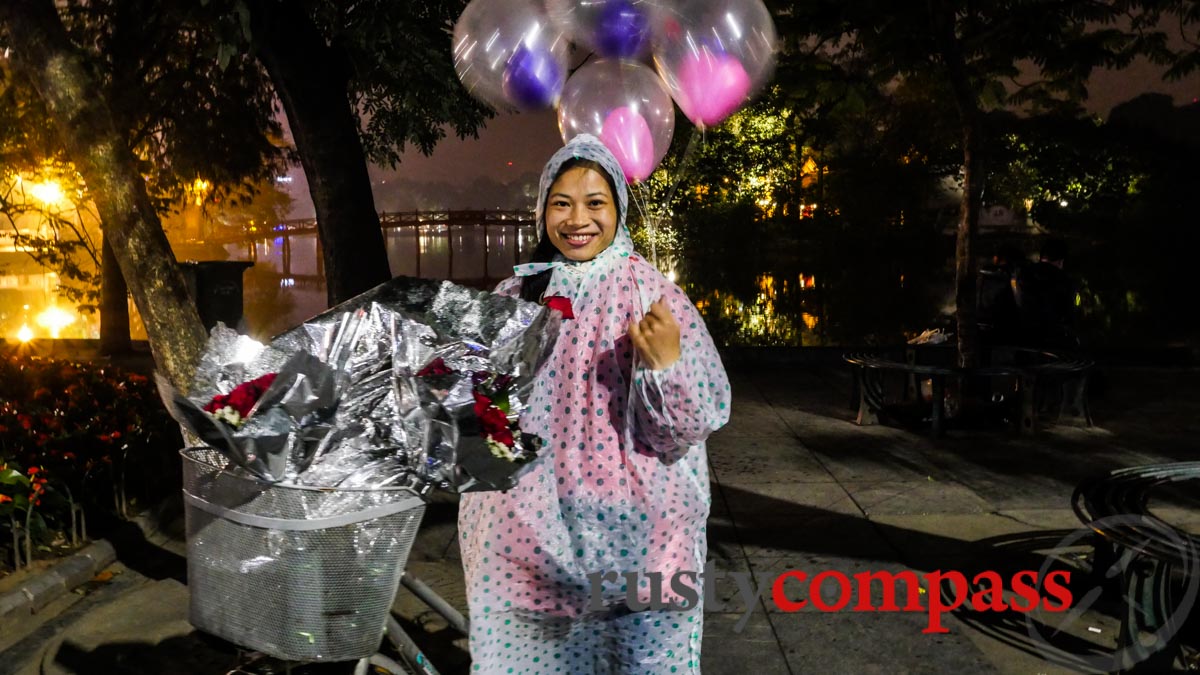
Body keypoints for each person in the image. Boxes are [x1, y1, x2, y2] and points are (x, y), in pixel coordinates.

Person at [458, 134, 731, 673]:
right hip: (525, 537)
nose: (577, 219)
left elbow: (690, 425)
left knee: (634, 659)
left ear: (618, 209)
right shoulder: (515, 296)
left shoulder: (653, 296)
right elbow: (480, 413)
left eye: (595, 202)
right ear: (542, 212)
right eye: (562, 203)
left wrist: (666, 366)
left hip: (635, 535)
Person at [1013, 238, 1078, 350]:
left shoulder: (1023, 274)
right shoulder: (1066, 281)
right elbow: (1070, 313)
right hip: (1052, 342)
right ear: (1061, 261)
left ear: (1041, 257)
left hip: (1020, 338)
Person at [977, 245, 1023, 347]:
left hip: (981, 332)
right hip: (1009, 334)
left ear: (996, 258)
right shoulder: (1015, 277)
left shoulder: (982, 275)